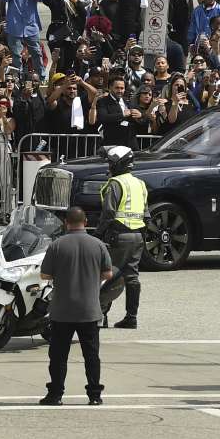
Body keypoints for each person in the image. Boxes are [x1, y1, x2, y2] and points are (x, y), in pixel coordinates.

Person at [39, 206, 112, 406]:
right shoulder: (98, 245)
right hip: (89, 310)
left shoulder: (57, 245)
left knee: (58, 356)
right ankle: (95, 395)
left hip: (62, 310)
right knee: (91, 355)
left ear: (66, 223)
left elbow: (45, 275)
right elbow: (108, 274)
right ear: (85, 222)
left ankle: (55, 394)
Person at [96, 145, 146, 329]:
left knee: (107, 275)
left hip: (118, 236)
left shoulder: (115, 184)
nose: (109, 166)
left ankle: (101, 316)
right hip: (137, 237)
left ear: (118, 164)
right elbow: (146, 214)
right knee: (131, 277)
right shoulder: (139, 184)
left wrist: (98, 234)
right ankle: (131, 317)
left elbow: (108, 213)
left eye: (110, 162)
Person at [0, 0, 46, 78]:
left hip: (31, 26)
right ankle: (16, 79)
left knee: (36, 52)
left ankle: (41, 77)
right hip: (14, 27)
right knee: (16, 55)